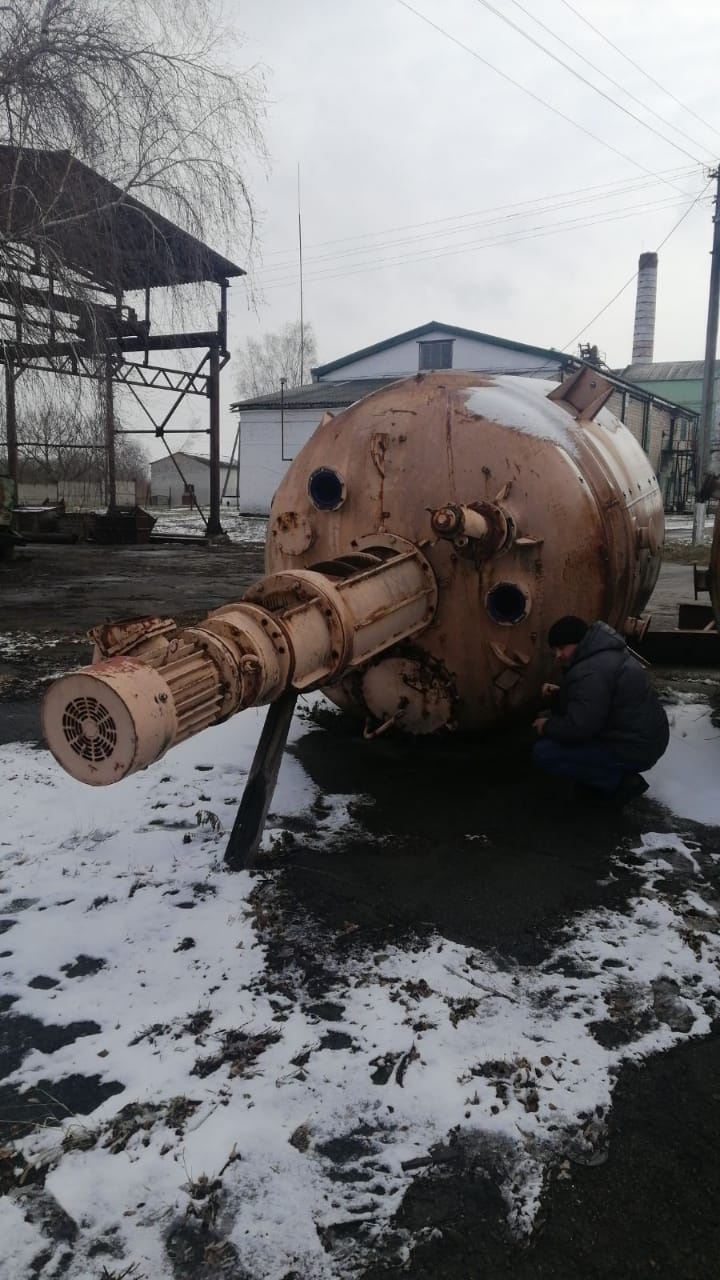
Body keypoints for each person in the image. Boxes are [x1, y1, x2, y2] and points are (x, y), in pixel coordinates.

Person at [532, 615, 669, 808]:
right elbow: (597, 701)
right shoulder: (607, 654)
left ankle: (619, 782)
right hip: (646, 739)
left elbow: (580, 727)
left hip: (634, 748)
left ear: (579, 642)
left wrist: (546, 725)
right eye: (555, 650)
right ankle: (603, 774)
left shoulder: (591, 670)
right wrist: (560, 694)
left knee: (545, 752)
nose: (558, 655)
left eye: (562, 648)